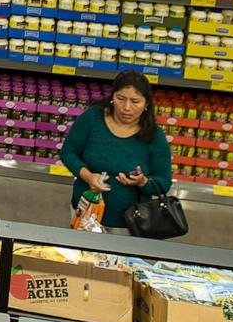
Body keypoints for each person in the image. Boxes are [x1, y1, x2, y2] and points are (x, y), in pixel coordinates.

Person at [58, 70, 173, 232]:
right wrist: (88, 176)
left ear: (146, 104)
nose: (127, 108)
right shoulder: (92, 118)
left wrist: (143, 182)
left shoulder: (154, 136)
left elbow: (164, 183)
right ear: (112, 97)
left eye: (135, 101)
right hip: (85, 214)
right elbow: (68, 153)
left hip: (130, 224)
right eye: (120, 99)